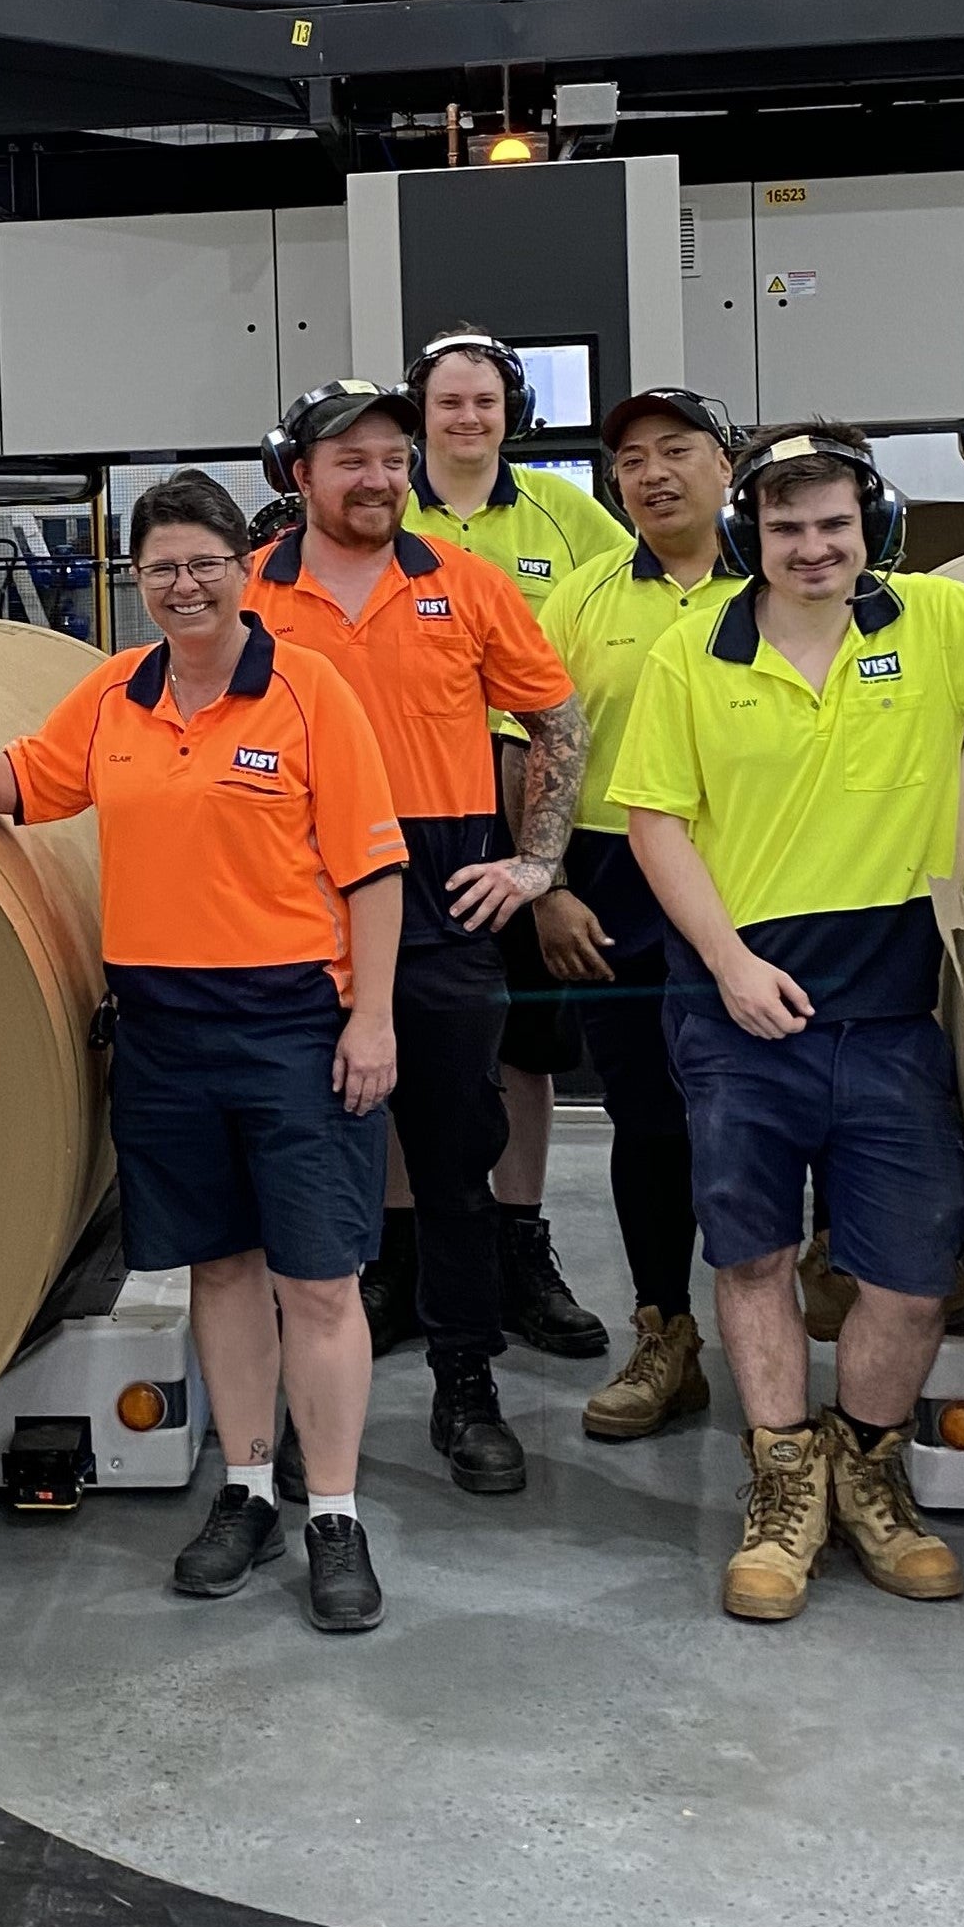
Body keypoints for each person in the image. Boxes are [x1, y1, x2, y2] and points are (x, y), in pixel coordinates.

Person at [0, 471, 409, 1636]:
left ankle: (336, 1514)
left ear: (243, 570)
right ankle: (248, 1491)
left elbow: (371, 869)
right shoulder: (116, 692)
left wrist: (372, 1021)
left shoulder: (310, 694)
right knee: (218, 1269)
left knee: (317, 1280)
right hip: (164, 1030)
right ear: (137, 580)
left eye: (205, 562)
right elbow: (34, 779)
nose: (184, 585)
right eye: (160, 567)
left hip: (294, 1026)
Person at [611, 422, 964, 1621]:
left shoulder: (932, 626)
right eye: (786, 526)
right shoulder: (694, 655)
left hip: (889, 1005)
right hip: (739, 1002)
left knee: (903, 1277)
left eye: (833, 524)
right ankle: (783, 1487)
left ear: (870, 528)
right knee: (752, 1259)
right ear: (752, 535)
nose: (812, 547)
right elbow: (654, 823)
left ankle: (871, 1471)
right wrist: (729, 963)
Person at [245, 379, 584, 1499]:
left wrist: (535, 862)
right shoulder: (249, 598)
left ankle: (465, 1385)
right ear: (300, 477)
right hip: (293, 910)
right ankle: (299, 1415)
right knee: (298, 1177)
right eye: (353, 460)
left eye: (394, 457)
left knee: (452, 1163)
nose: (381, 478)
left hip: (441, 904)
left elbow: (556, 718)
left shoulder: (467, 586)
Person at [398, 325, 630, 1364]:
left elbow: (606, 656)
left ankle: (519, 1243)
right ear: (422, 416)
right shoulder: (379, 513)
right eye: (449, 403)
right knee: (406, 1038)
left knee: (523, 1041)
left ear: (512, 415)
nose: (467, 420)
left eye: (485, 403)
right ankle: (402, 1258)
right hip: (406, 814)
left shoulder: (568, 516)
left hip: (534, 812)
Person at [533, 389, 743, 1442]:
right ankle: (665, 1337)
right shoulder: (576, 601)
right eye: (630, 461)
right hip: (614, 883)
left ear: (724, 465)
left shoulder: (790, 586)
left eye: (677, 451)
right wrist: (550, 885)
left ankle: (782, 1342)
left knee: (760, 1114)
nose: (652, 473)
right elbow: (538, 751)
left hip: (759, 873)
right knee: (650, 1121)